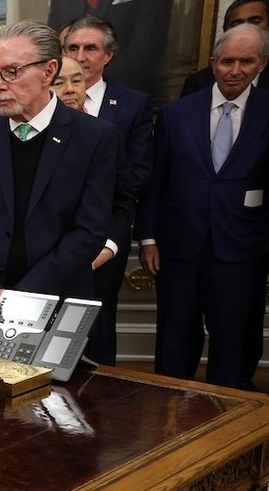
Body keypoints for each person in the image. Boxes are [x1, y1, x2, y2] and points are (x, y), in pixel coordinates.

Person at [0, 20, 118, 299]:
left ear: (48, 71)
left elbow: (89, 229)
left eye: (11, 72)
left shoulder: (95, 138)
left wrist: (25, 295)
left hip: (58, 298)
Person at [135, 25, 269, 389]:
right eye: (227, 61)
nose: (235, 70)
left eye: (246, 61)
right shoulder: (177, 114)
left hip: (241, 250)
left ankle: (226, 421)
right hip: (178, 249)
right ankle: (169, 420)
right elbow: (155, 182)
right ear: (213, 63)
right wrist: (147, 238)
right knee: (175, 342)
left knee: (232, 342)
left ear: (262, 64)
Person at [63, 15, 152, 365]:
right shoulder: (44, 107)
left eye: (90, 48)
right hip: (54, 244)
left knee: (99, 328)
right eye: (73, 48)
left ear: (108, 55)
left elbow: (138, 175)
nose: (81, 55)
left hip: (104, 240)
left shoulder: (131, 103)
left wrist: (110, 241)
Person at [47, 0, 170, 94]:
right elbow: (51, 44)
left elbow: (146, 47)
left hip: (121, 91)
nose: (81, 56)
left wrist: (94, 78)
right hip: (63, 93)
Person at [181, 0, 269, 97]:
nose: (245, 28)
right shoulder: (198, 82)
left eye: (255, 22)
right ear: (226, 31)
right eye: (237, 24)